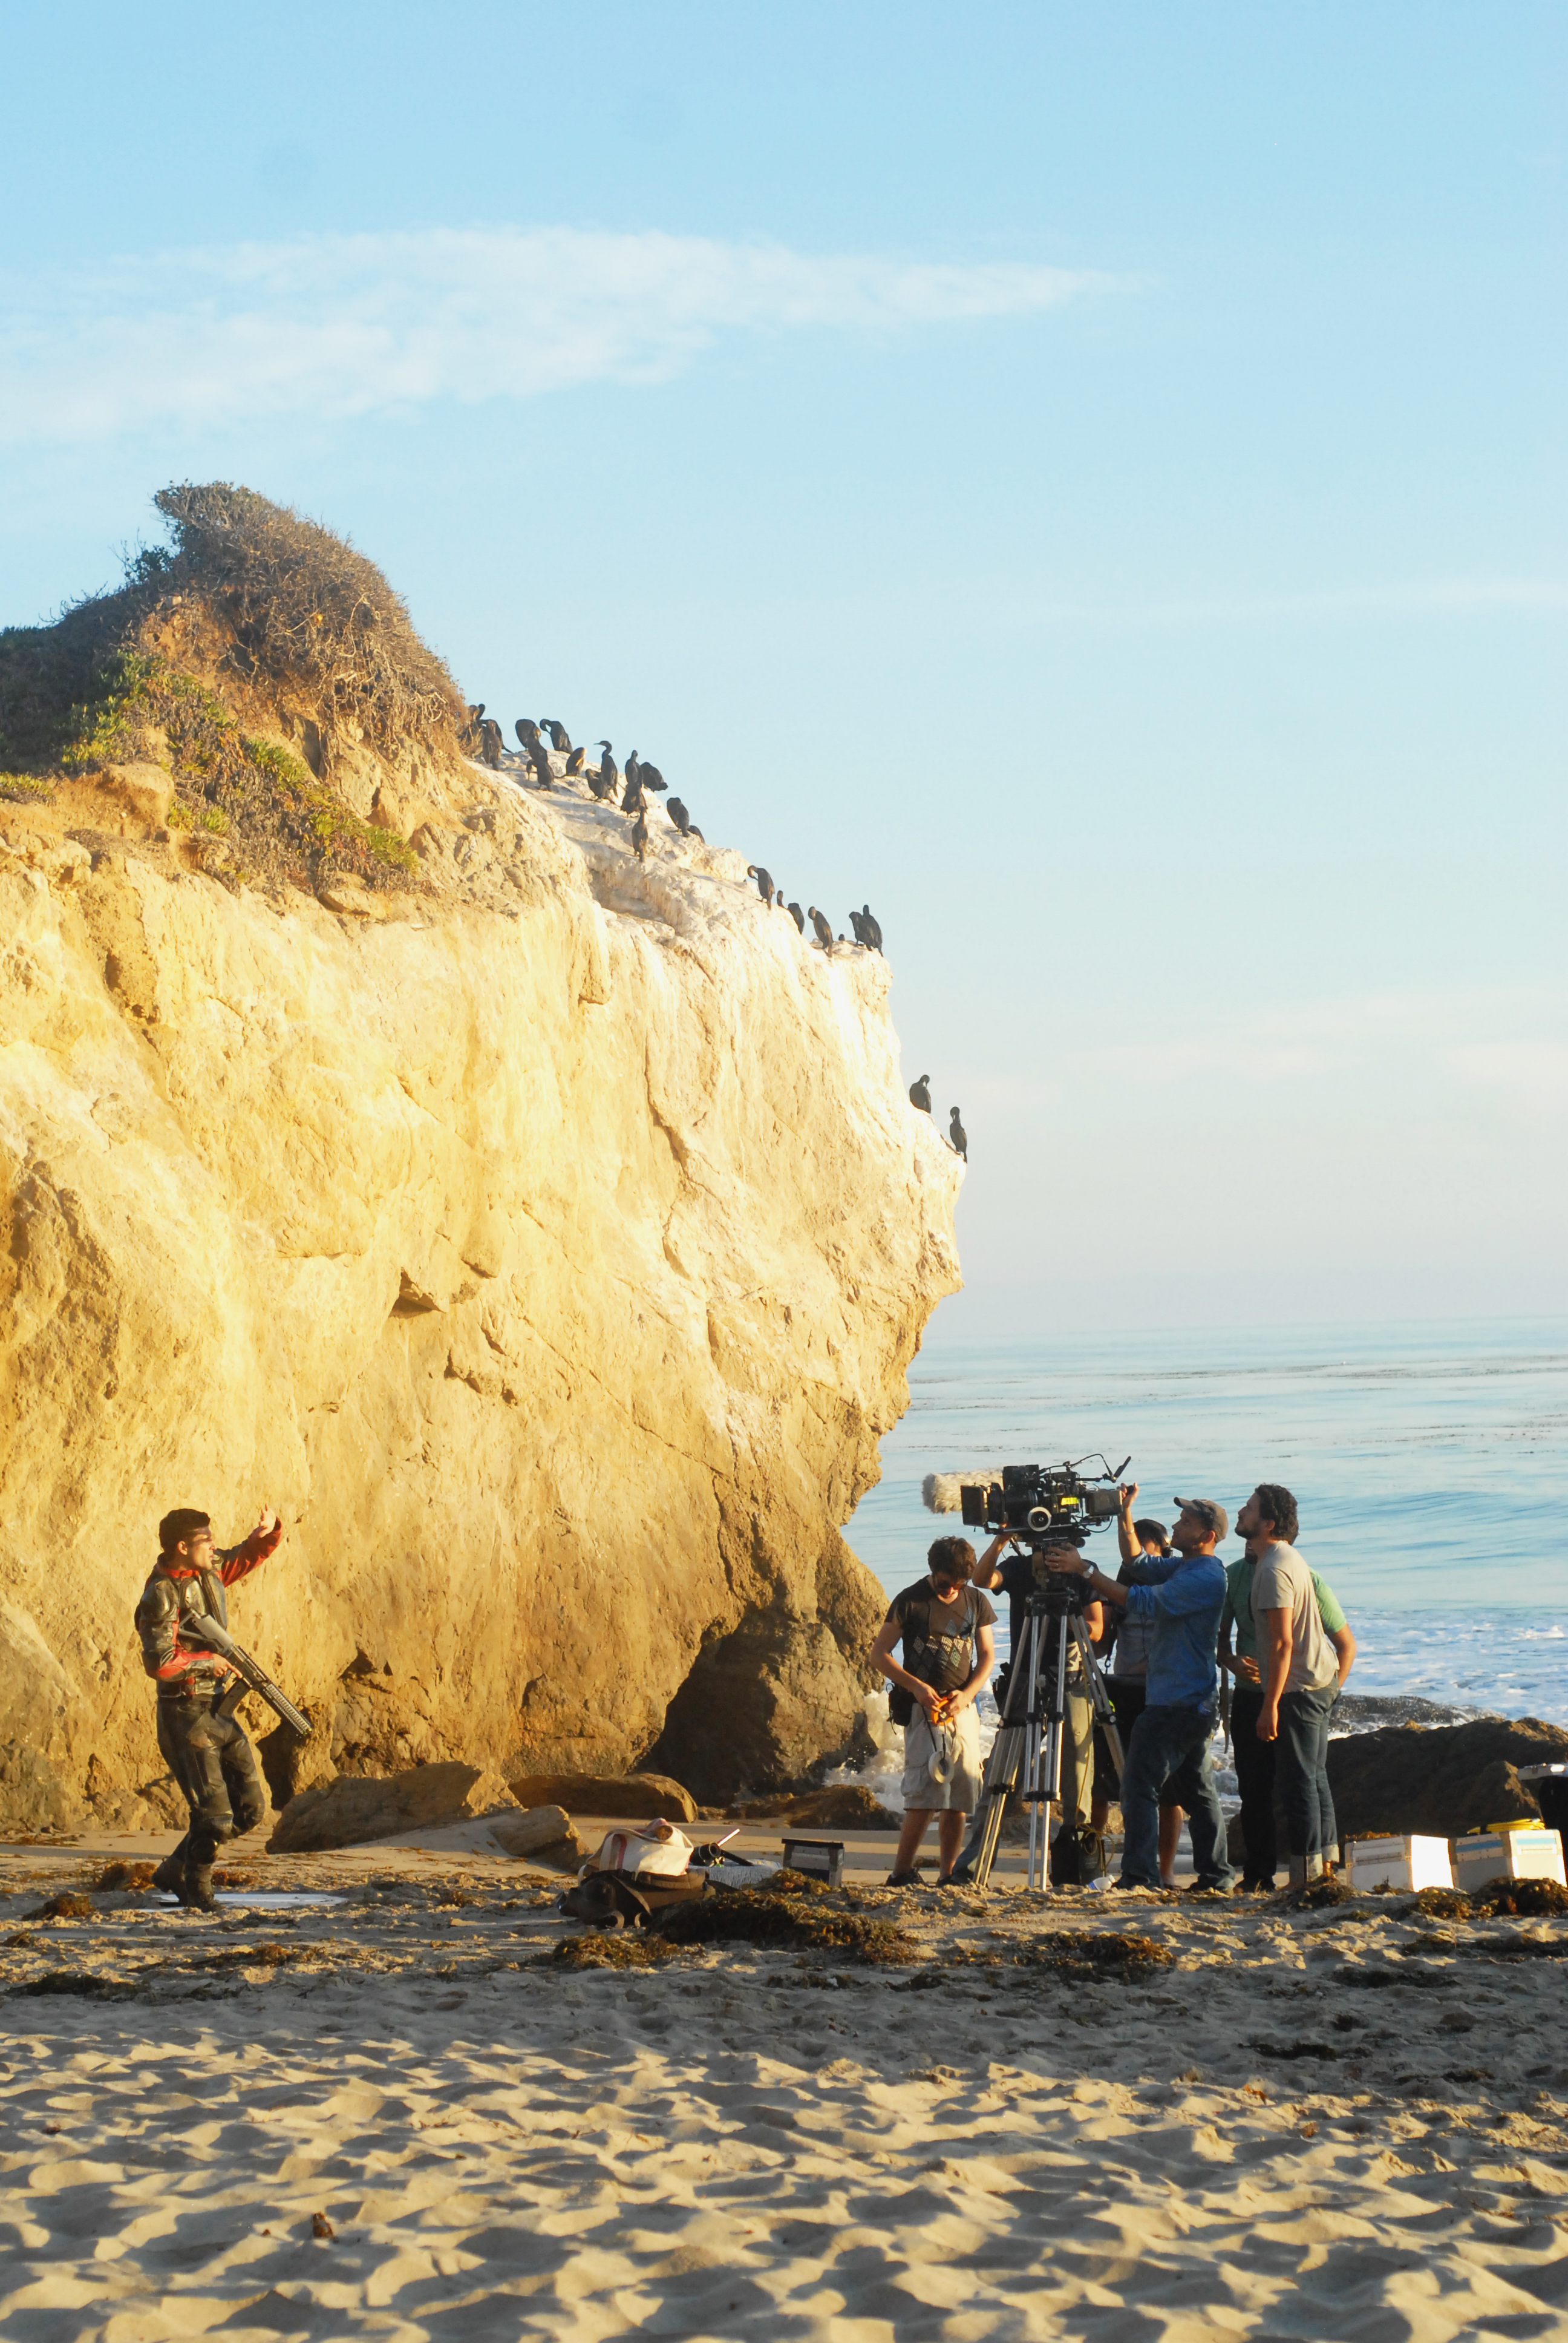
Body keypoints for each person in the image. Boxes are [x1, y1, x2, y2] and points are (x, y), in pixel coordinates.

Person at [1053, 1497, 1235, 1893]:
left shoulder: (1204, 1577)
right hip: (1186, 1699)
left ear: (1205, 1536)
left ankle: (1140, 1875)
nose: (1177, 1524)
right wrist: (1124, 1513)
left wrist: (1084, 1570)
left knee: (1138, 1785)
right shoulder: (1187, 1566)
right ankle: (1217, 1876)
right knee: (1199, 1792)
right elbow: (1138, 1564)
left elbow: (1141, 1600)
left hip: (1179, 1702)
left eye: (1185, 1521)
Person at [136, 1503, 283, 1910]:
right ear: (182, 1547)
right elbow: (160, 1663)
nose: (213, 1545)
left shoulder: (206, 1569)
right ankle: (197, 1889)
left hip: (218, 1708)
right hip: (185, 1713)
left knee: (250, 1809)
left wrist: (265, 1535)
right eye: (205, 1540)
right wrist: (208, 1662)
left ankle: (175, 1869)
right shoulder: (161, 1596)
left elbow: (239, 1559)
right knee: (215, 1815)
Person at [1218, 1518, 1356, 1890]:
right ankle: (1259, 1874)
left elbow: (1345, 1644)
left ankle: (1323, 1871)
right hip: (1252, 1694)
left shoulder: (1300, 1576)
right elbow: (1218, 1636)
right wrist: (1229, 1660)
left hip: (1293, 1692)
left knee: (1309, 1779)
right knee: (1254, 1786)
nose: (1247, 1547)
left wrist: (1328, 1695)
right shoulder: (1233, 1576)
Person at [871, 1536, 996, 1886]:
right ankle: (901, 1872)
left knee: (960, 1794)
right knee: (924, 1794)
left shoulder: (976, 1600)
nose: (952, 1590)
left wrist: (968, 1694)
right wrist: (916, 1687)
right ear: (933, 1571)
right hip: (922, 1710)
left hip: (962, 1707)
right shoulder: (910, 1601)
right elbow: (879, 1654)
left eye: (959, 1583)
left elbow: (987, 1657)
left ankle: (948, 1873)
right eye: (945, 1583)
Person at [1093, 1489, 1185, 1887]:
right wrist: (1096, 1611)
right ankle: (1093, 1866)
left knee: (1169, 1790)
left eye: (1151, 1556)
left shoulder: (1178, 1583)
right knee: (1105, 1784)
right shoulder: (1122, 1590)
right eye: (1137, 1558)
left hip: (1164, 1692)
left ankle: (1163, 1869)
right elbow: (1100, 1645)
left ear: (1164, 1553)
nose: (1143, 1565)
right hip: (1125, 1687)